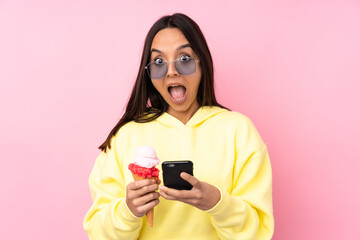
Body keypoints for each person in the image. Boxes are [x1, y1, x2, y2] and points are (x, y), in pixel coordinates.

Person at [83, 13, 274, 240]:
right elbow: (97, 232)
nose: (171, 71)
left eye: (184, 59)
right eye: (159, 62)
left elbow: (258, 232)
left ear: (202, 63)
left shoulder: (239, 132)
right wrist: (128, 211)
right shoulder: (125, 136)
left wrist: (217, 203)